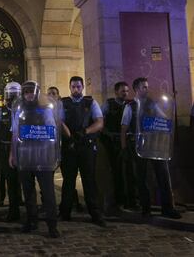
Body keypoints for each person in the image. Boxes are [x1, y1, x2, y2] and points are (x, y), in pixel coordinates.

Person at [120, 77, 181, 219]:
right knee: (141, 179)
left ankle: (167, 208)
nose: (147, 89)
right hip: (139, 147)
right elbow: (124, 128)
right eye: (144, 87)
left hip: (154, 146)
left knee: (163, 176)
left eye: (147, 87)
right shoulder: (130, 107)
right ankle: (145, 208)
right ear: (136, 89)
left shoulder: (152, 104)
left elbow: (162, 119)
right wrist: (124, 149)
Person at [9, 80, 60, 238]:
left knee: (48, 191)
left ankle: (52, 224)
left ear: (37, 93)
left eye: (32, 91)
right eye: (26, 92)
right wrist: (12, 154)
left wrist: (54, 155)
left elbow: (53, 133)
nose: (29, 95)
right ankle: (31, 220)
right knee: (28, 191)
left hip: (43, 155)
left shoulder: (46, 110)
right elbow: (15, 133)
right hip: (25, 155)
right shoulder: (19, 110)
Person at [59, 76, 107, 227]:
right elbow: (59, 122)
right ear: (69, 87)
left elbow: (99, 122)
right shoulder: (63, 103)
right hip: (69, 147)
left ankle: (95, 213)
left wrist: (85, 132)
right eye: (73, 87)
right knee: (68, 181)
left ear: (83, 87)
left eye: (78, 87)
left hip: (86, 146)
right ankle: (65, 212)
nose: (76, 89)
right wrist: (70, 137)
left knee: (89, 180)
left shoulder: (90, 102)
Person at [47, 86, 84, 214]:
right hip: (51, 148)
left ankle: (72, 202)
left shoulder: (63, 107)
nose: (52, 95)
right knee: (48, 177)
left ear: (58, 96)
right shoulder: (45, 109)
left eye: (54, 93)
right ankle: (47, 203)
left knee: (68, 176)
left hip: (65, 146)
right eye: (49, 93)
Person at [101, 82, 136, 213]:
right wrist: (108, 134)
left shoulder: (130, 105)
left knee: (130, 172)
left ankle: (131, 200)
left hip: (127, 141)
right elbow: (100, 120)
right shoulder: (108, 104)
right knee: (116, 172)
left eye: (127, 91)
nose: (126, 93)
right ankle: (119, 200)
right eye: (123, 91)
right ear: (116, 92)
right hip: (113, 142)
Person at [0, 82, 22, 221]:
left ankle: (28, 211)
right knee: (10, 181)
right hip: (6, 148)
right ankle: (13, 210)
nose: (11, 98)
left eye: (14, 95)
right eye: (9, 95)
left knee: (24, 180)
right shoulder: (0, 112)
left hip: (22, 149)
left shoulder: (24, 111)